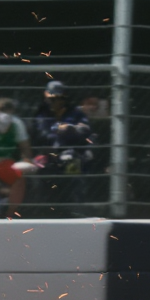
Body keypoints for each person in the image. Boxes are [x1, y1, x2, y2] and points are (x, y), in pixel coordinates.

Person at [30, 81, 95, 209]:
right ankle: (41, 209)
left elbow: (85, 130)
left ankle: (77, 208)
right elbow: (41, 134)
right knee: (40, 171)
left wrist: (71, 129)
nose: (55, 102)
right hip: (47, 153)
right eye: (52, 98)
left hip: (70, 151)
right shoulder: (40, 112)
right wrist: (59, 130)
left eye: (59, 98)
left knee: (72, 161)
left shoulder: (75, 112)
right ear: (46, 96)